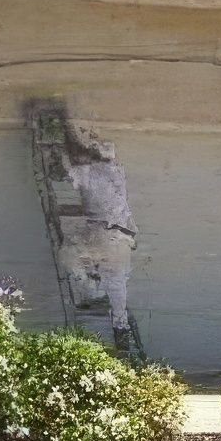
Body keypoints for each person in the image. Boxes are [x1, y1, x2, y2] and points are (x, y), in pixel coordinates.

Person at [61, 127, 137, 350]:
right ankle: (120, 327)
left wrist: (67, 144)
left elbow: (67, 167)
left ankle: (91, 289)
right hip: (121, 236)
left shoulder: (85, 172)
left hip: (102, 235)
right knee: (117, 285)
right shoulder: (115, 172)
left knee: (68, 254)